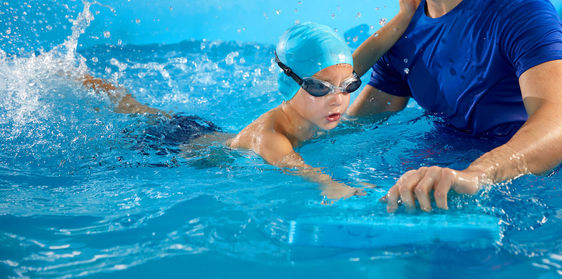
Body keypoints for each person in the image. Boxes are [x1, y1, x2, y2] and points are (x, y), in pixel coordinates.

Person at [349, 0, 562, 212]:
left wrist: (477, 174)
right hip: (444, 169)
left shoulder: (520, 9)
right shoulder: (405, 29)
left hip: (533, 185)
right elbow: (352, 129)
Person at [83, 22, 366, 200]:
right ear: (289, 82)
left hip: (209, 133)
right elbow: (292, 164)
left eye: (349, 86)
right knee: (138, 113)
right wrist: (330, 184)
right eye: (320, 88)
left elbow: (365, 58)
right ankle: (86, 81)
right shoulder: (268, 134)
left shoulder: (319, 109)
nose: (337, 99)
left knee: (146, 110)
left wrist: (404, 17)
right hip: (170, 147)